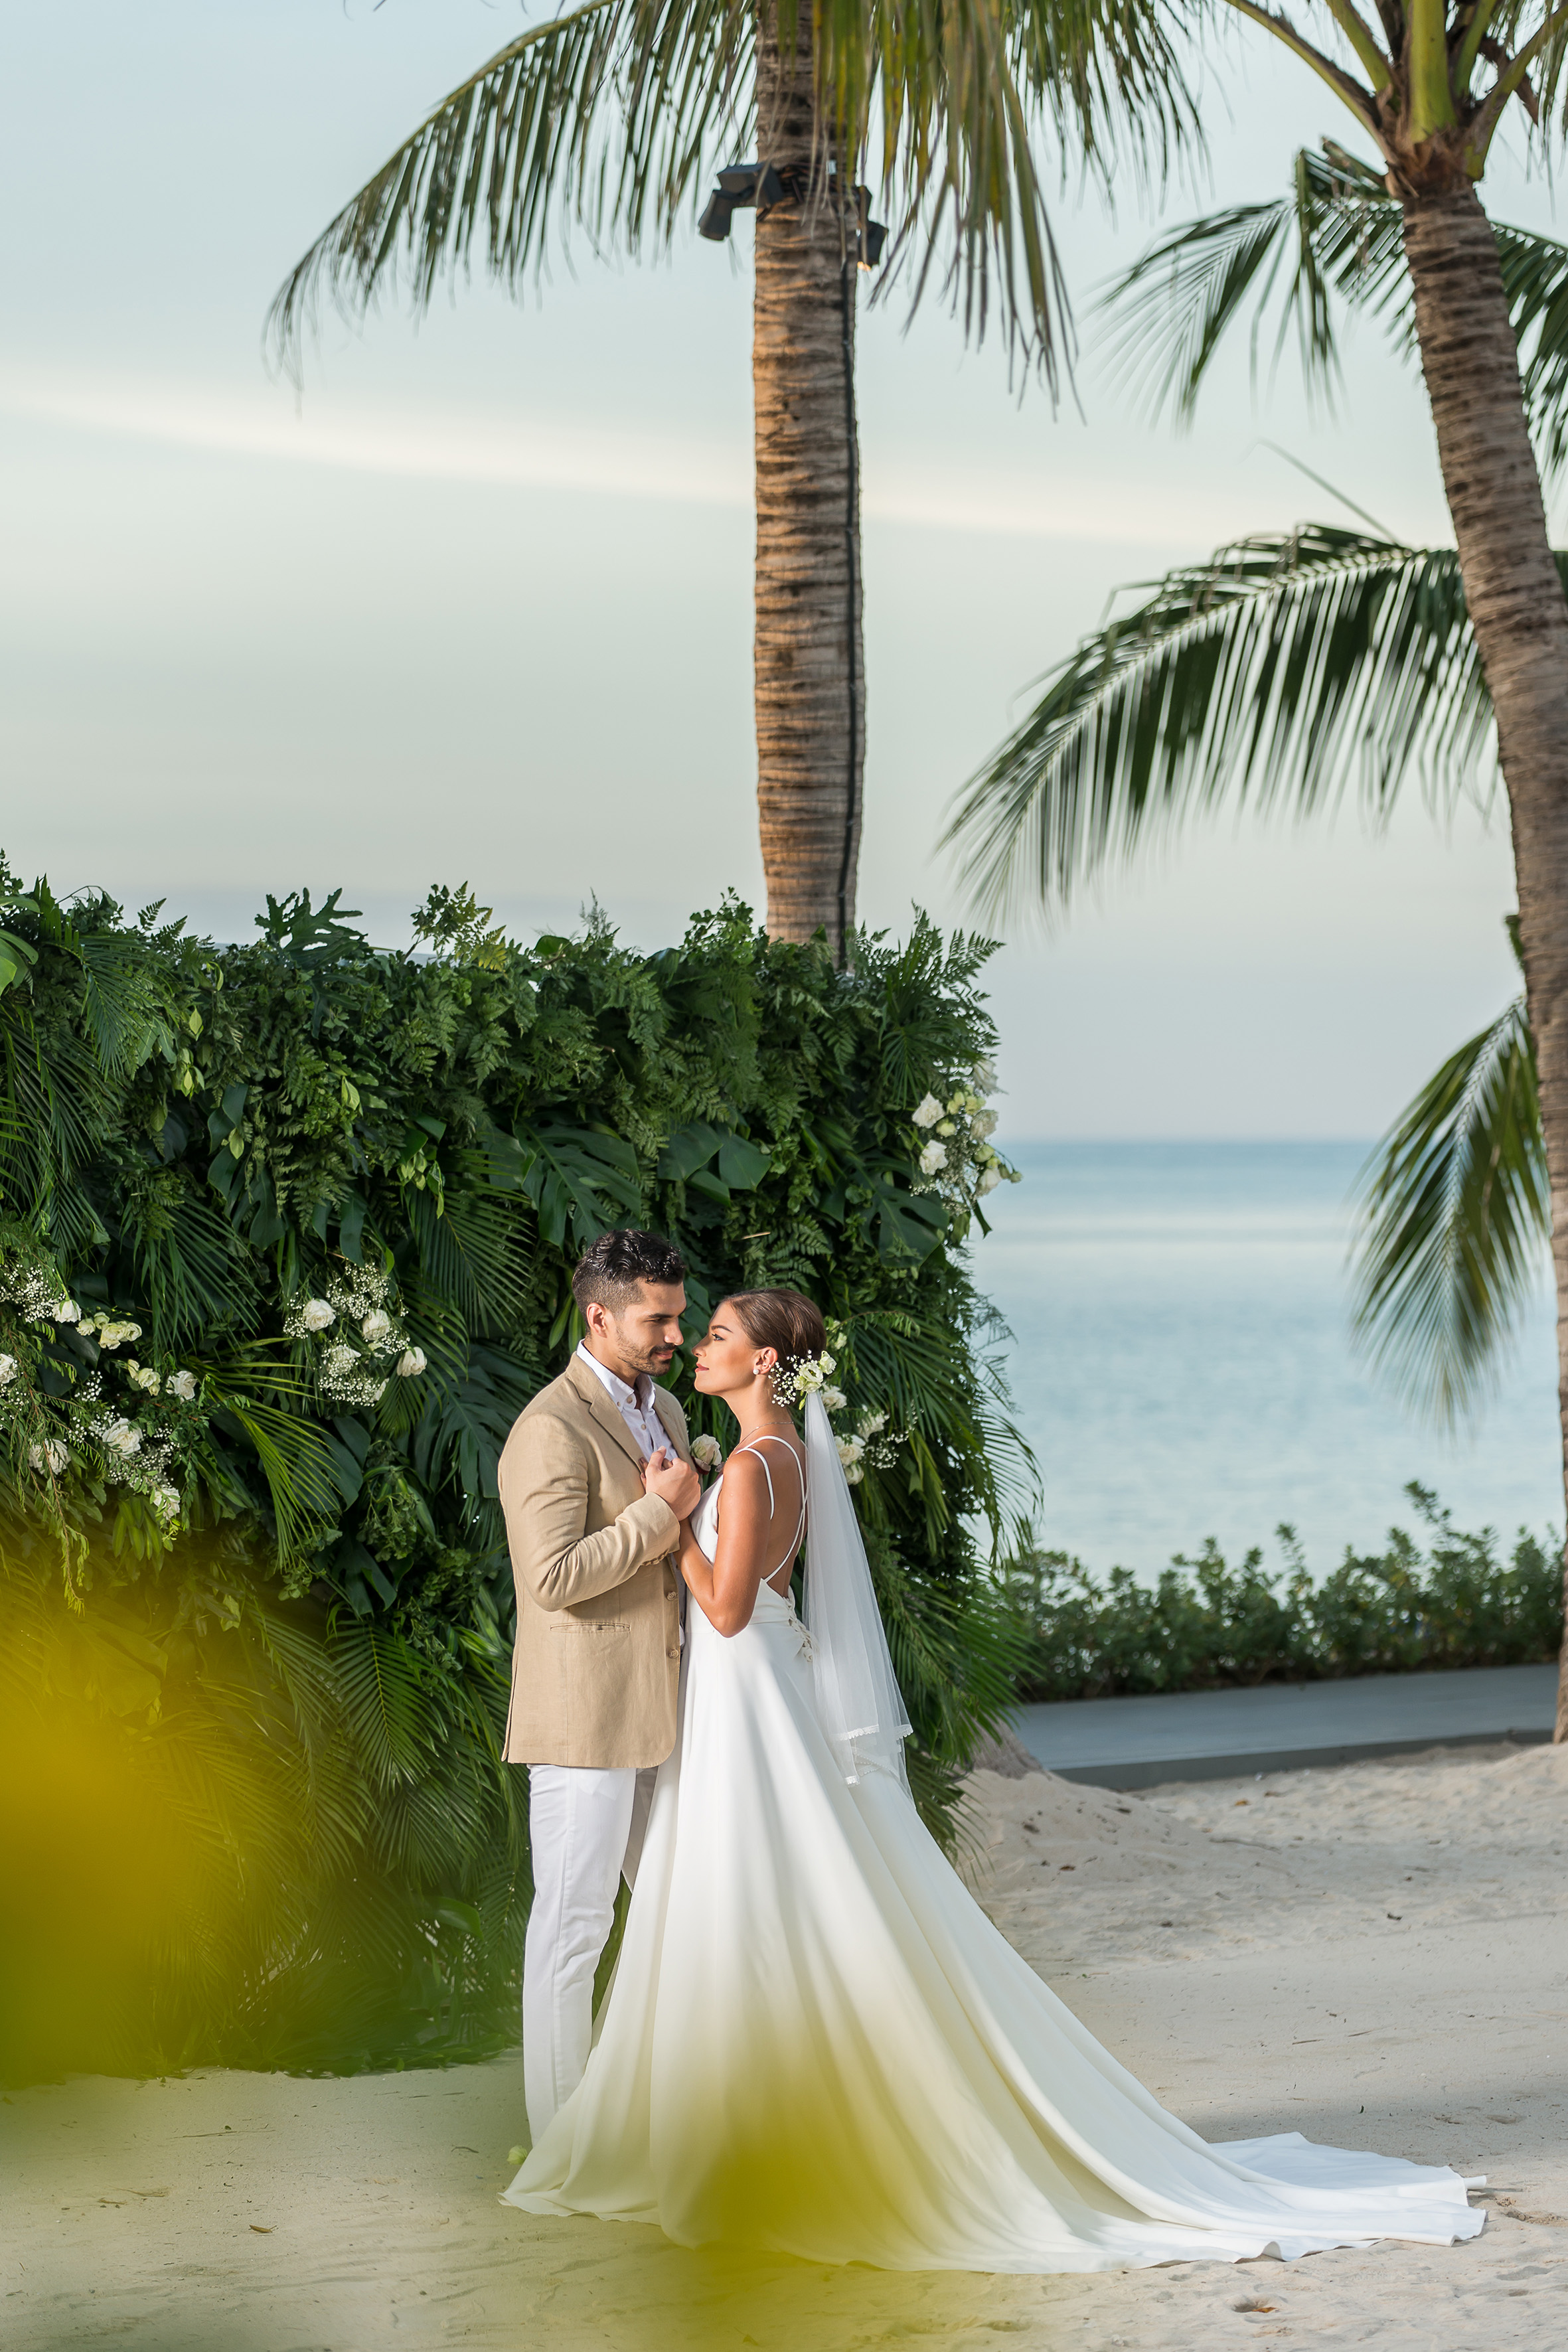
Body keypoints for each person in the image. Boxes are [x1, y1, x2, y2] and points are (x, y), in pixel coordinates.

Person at [503, 1287, 1485, 2273]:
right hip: (747, 1696)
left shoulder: (757, 1466)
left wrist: (673, 1520)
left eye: (716, 1335)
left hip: (746, 1689)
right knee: (762, 1898)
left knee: (757, 1897)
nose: (698, 1348)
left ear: (766, 1365)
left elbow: (721, 1610)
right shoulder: (771, 1457)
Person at [498, 1227, 699, 2146]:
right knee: (574, 1930)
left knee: (677, 1918)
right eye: (656, 1320)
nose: (674, 1336)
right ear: (599, 1315)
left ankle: (643, 2120)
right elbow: (550, 1580)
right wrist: (662, 1513)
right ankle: (559, 2144)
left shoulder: (671, 1413)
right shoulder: (550, 1426)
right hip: (583, 1720)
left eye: (678, 1318)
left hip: (671, 1713)